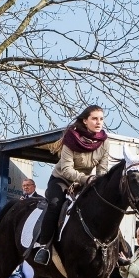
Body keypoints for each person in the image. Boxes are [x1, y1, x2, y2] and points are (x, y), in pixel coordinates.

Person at [33, 105, 109, 265]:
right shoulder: (71, 138)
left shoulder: (104, 141)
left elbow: (102, 170)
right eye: (94, 119)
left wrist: (100, 184)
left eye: (101, 119)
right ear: (85, 120)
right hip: (61, 180)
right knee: (55, 204)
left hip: (85, 182)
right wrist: (86, 179)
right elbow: (66, 169)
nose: (99, 122)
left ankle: (116, 248)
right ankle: (44, 246)